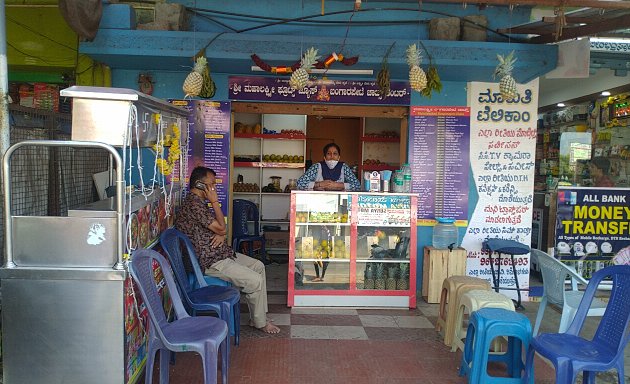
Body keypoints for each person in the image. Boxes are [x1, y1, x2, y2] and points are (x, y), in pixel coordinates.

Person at [175, 166, 280, 334]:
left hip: (219, 253)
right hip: (209, 261)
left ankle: (257, 316)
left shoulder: (198, 203)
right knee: (255, 280)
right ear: (199, 184)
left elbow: (218, 230)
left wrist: (221, 235)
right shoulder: (194, 204)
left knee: (258, 266)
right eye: (211, 185)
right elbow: (222, 228)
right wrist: (215, 203)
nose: (214, 188)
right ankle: (260, 323)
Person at [297, 142, 361, 191]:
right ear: (324, 157)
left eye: (335, 154)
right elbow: (299, 184)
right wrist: (319, 184)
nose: (332, 156)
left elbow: (357, 186)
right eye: (328, 153)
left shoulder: (344, 168)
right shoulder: (316, 167)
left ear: (339, 157)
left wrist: (338, 185)